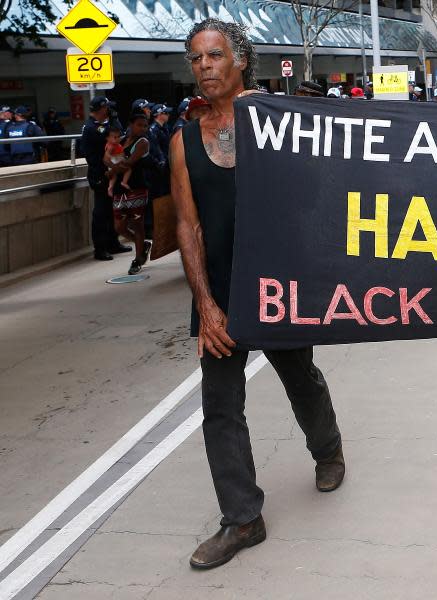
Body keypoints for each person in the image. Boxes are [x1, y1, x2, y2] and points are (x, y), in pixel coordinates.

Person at [172, 17, 346, 570]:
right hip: (219, 295)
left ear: (240, 60)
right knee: (220, 408)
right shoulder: (183, 141)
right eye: (197, 59)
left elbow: (320, 197)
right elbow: (188, 226)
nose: (205, 67)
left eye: (215, 56)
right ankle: (242, 518)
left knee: (300, 378)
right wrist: (206, 304)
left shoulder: (278, 125)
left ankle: (328, 449)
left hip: (278, 287)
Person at [82, 96, 131, 260]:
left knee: (113, 211)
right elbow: (93, 150)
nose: (108, 110)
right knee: (101, 212)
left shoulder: (108, 124)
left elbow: (120, 135)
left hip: (113, 172)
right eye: (106, 108)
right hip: (100, 174)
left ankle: (113, 242)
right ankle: (100, 247)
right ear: (100, 109)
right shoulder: (90, 128)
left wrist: (114, 118)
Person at [110, 111, 155, 275]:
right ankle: (143, 245)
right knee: (119, 227)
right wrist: (113, 167)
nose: (143, 128)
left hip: (136, 188)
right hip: (120, 190)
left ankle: (137, 259)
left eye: (145, 125)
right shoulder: (121, 140)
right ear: (130, 125)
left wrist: (112, 169)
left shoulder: (143, 142)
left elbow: (128, 162)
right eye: (139, 125)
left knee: (137, 224)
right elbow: (111, 159)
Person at [103, 124, 131, 195]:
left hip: (116, 159)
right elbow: (107, 155)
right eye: (115, 137)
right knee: (129, 169)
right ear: (107, 138)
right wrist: (114, 158)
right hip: (115, 160)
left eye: (118, 137)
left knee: (114, 176)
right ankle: (124, 182)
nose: (117, 139)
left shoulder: (115, 144)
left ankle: (110, 186)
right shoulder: (111, 146)